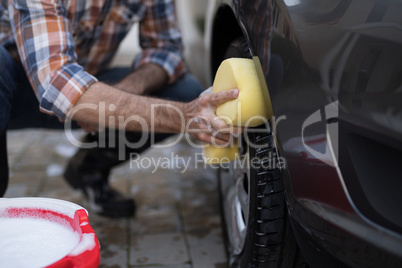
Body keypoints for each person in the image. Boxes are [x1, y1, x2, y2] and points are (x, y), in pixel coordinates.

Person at [0, 1, 240, 217]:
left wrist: (123, 92)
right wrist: (183, 116)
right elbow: (57, 83)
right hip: (13, 93)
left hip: (80, 87)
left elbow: (166, 51)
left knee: (183, 90)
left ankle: (88, 169)